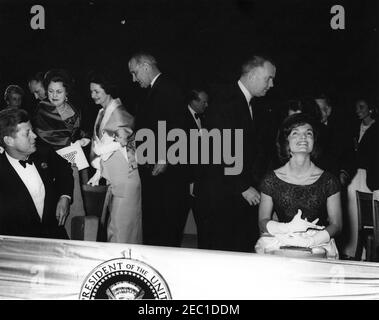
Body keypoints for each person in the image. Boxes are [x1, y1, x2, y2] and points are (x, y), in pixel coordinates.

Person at [197, 55, 276, 252]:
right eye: (269, 78)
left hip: (234, 192)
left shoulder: (250, 103)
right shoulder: (226, 101)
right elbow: (217, 147)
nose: (272, 84)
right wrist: (242, 186)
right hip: (221, 195)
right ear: (253, 75)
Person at [256, 113, 342, 256]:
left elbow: (336, 225)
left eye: (308, 133)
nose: (303, 137)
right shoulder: (270, 179)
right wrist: (285, 228)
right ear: (286, 141)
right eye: (295, 133)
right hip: (281, 238)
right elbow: (262, 221)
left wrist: (313, 241)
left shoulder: (329, 180)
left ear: (314, 141)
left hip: (317, 243)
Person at [128, 52, 189, 247]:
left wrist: (164, 158)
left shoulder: (168, 88)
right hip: (157, 171)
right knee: (158, 225)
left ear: (146, 66)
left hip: (166, 174)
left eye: (135, 73)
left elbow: (178, 127)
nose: (134, 79)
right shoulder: (158, 89)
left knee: (165, 226)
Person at [32, 69, 90, 237]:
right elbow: (50, 139)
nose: (54, 95)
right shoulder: (43, 109)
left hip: (73, 164)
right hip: (52, 168)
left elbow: (79, 131)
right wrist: (74, 145)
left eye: (59, 91)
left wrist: (84, 139)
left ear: (67, 93)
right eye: (50, 91)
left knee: (76, 211)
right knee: (56, 214)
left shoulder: (74, 108)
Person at [0, 108, 73, 239]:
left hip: (55, 238)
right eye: (27, 133)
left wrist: (65, 197)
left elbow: (65, 169)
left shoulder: (43, 152)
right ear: (9, 140)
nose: (34, 136)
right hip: (19, 248)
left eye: (32, 130)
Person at [87, 71, 142, 244]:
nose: (92, 95)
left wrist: (98, 154)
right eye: (91, 91)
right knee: (115, 227)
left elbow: (118, 143)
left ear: (108, 89)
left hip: (126, 177)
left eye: (96, 91)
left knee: (121, 229)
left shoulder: (119, 113)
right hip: (115, 177)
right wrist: (98, 171)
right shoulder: (104, 112)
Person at [340, 97, 379, 259]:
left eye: (361, 107)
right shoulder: (353, 128)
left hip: (370, 175)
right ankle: (353, 251)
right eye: (356, 108)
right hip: (356, 175)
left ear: (370, 109)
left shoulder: (375, 128)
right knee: (353, 212)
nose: (358, 110)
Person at [184, 87, 209, 248]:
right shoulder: (181, 118)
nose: (207, 105)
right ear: (193, 101)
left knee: (203, 219)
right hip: (188, 178)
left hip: (201, 177)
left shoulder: (204, 118)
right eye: (204, 101)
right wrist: (191, 180)